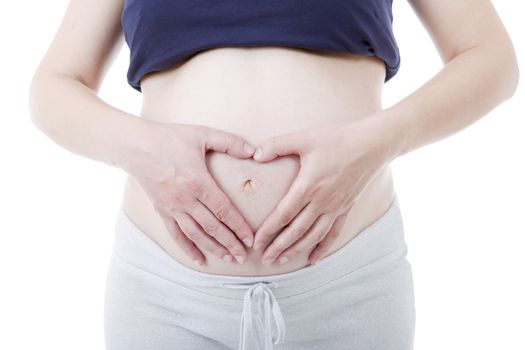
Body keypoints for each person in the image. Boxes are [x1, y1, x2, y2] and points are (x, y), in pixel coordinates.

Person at [28, 0, 519, 349]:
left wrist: (377, 142)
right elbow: (54, 85)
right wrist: (143, 151)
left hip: (348, 286)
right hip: (166, 295)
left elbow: (490, 57)